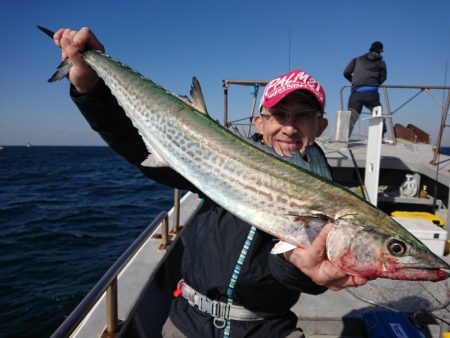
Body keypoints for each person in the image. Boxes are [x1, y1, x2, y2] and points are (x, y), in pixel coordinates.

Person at [53, 27, 368, 338]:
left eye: (303, 115)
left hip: (266, 328)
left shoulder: (330, 197)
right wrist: (89, 86)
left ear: (320, 125)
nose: (289, 127)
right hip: (186, 323)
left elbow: (296, 274)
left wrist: (302, 270)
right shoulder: (219, 159)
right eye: (279, 114)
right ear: (260, 122)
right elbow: (132, 142)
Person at [343, 41, 387, 138]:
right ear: (380, 51)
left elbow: (346, 72)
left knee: (351, 117)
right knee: (378, 114)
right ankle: (381, 137)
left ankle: (343, 139)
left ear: (370, 49)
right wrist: (374, 85)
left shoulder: (357, 59)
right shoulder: (381, 63)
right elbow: (383, 78)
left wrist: (354, 82)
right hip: (372, 94)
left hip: (356, 93)